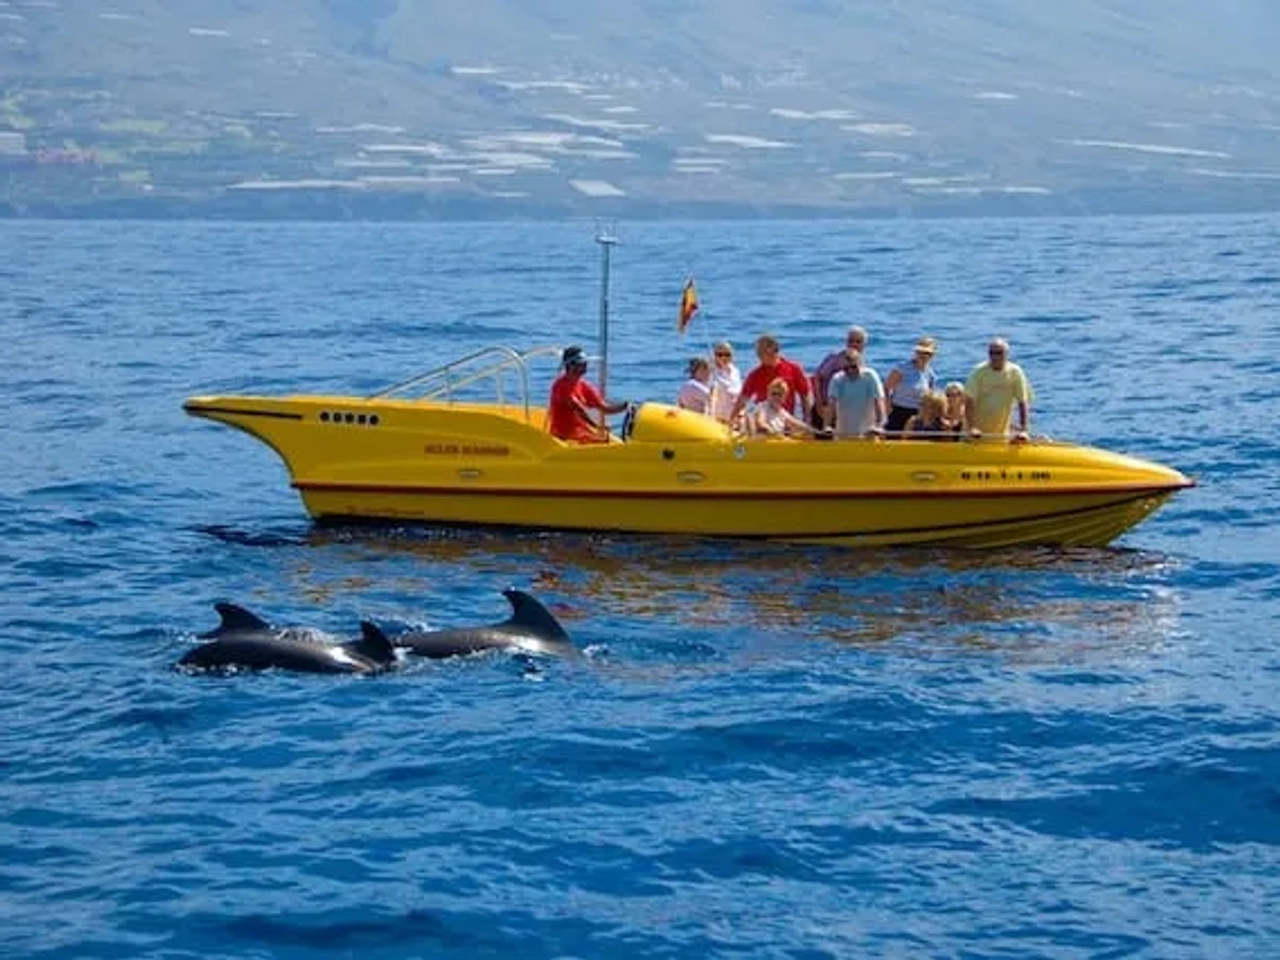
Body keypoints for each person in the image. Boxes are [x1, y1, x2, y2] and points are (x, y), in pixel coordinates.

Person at [547, 345, 628, 443]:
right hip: (564, 438)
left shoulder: (583, 385)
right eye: (582, 363)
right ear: (571, 365)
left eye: (585, 362)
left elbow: (604, 408)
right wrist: (598, 427)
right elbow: (579, 410)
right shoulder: (560, 386)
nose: (586, 365)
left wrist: (625, 406)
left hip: (581, 434)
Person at [731, 334, 812, 424]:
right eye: (758, 352)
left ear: (775, 351)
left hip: (785, 419)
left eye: (762, 351)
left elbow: (805, 395)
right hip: (762, 419)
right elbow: (743, 399)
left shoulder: (793, 369)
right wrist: (732, 420)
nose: (758, 355)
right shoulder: (755, 374)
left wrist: (807, 418)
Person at [964, 337, 1033, 441]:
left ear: (1006, 354)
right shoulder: (978, 372)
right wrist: (972, 428)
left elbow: (1022, 402)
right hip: (976, 436)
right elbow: (969, 401)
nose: (995, 357)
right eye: (991, 353)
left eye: (999, 353)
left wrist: (1024, 430)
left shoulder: (1015, 372)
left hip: (1000, 436)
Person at [810, 325, 868, 429]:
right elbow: (817, 378)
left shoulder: (863, 367)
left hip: (844, 412)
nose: (854, 344)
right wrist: (819, 402)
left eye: (858, 341)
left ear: (864, 345)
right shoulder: (834, 358)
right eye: (851, 341)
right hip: (824, 407)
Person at [883, 337, 939, 434]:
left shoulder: (930, 374)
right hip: (898, 412)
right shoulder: (902, 369)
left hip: (918, 416)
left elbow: (929, 398)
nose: (923, 355)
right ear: (916, 352)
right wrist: (888, 406)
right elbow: (886, 388)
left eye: (927, 353)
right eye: (921, 352)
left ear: (932, 356)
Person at [826, 349, 885, 438]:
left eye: (854, 367)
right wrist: (827, 426)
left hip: (868, 432)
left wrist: (879, 425)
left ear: (861, 363)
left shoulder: (870, 376)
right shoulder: (837, 379)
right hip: (843, 432)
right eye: (846, 368)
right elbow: (831, 405)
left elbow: (879, 402)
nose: (850, 371)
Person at [751, 377, 824, 438]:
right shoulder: (763, 406)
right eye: (773, 394)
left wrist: (814, 430)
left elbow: (796, 423)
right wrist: (771, 430)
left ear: (784, 397)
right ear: (768, 394)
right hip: (763, 441)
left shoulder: (782, 412)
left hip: (777, 440)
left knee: (805, 434)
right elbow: (761, 422)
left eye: (780, 395)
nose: (776, 397)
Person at [709, 341, 742, 423]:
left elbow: (739, 396)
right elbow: (712, 395)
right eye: (720, 355)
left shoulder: (735, 371)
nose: (724, 357)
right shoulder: (711, 371)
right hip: (718, 418)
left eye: (727, 354)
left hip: (735, 417)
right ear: (715, 356)